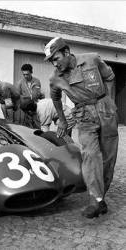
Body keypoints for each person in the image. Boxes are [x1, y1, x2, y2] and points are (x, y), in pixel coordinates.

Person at [44, 37, 118, 218]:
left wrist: (109, 101)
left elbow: (109, 77)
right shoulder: (55, 78)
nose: (55, 64)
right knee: (90, 155)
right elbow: (55, 98)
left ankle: (101, 197)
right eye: (52, 61)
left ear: (67, 52)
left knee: (108, 158)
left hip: (105, 110)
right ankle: (96, 200)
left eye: (56, 58)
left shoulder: (92, 59)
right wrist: (61, 120)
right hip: (83, 115)